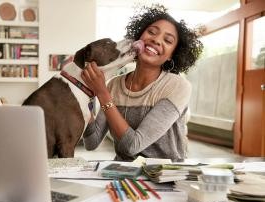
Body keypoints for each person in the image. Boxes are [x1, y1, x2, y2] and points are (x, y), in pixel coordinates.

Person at [81, 5, 203, 161]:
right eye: (151, 32)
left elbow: (132, 146)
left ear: (172, 55)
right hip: (123, 173)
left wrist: (102, 93)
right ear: (139, 37)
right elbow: (91, 142)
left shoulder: (177, 86)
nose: (156, 40)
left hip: (164, 176)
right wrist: (87, 95)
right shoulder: (114, 85)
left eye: (167, 40)